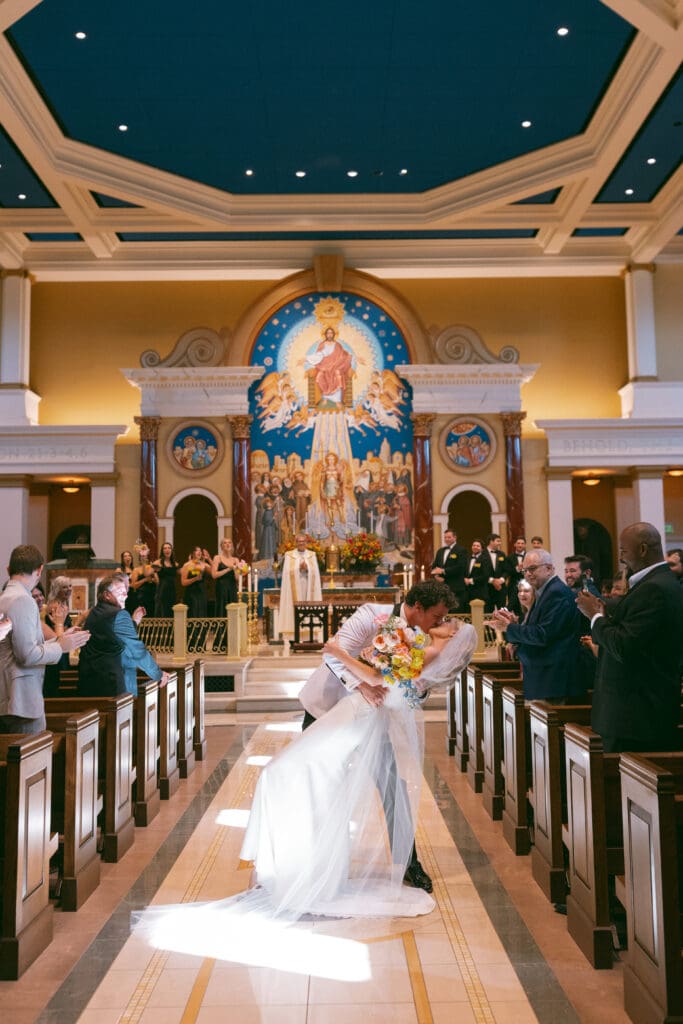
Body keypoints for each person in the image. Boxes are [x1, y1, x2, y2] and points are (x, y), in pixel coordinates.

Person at [299, 579, 456, 893]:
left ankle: (409, 863)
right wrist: (364, 685)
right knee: (323, 786)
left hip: (372, 719)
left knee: (392, 787)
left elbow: (417, 690)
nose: (439, 624)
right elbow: (332, 654)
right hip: (326, 709)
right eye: (436, 617)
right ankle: (321, 862)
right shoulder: (373, 614)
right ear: (418, 608)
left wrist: (414, 690)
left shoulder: (419, 640)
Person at [576, 522, 683, 753]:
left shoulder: (654, 589)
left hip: (636, 715)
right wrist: (607, 612)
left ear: (643, 550)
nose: (621, 558)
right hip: (636, 714)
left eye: (624, 551)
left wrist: (594, 615)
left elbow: (623, 645)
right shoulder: (657, 584)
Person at [0, 545, 90, 734]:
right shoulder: (23, 600)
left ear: (9, 569)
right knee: (32, 760)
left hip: (10, 696)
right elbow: (27, 655)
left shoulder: (5, 597)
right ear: (40, 570)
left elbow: (23, 646)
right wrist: (61, 647)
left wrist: (60, 640)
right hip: (21, 700)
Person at [491, 548, 587, 702]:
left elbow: (543, 635)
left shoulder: (556, 593)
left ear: (549, 569)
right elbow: (539, 629)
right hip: (546, 679)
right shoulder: (545, 592)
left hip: (554, 679)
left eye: (533, 568)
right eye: (525, 570)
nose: (528, 574)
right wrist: (515, 624)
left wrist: (509, 628)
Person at [78, 574, 168, 697]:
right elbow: (137, 650)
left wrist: (133, 622)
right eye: (120, 592)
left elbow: (112, 640)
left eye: (125, 592)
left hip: (89, 682)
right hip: (111, 684)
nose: (126, 595)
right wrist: (158, 674)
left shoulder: (94, 612)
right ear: (107, 595)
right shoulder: (119, 614)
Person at [278, 534, 322, 637]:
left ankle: (309, 633)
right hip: (294, 588)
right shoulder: (289, 555)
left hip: (307, 585)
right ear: (296, 543)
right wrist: (298, 568)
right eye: (299, 541)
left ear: (306, 543)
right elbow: (286, 573)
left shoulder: (312, 555)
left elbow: (315, 572)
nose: (301, 543)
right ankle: (294, 634)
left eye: (303, 541)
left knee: (308, 606)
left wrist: (308, 569)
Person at [430, 528, 467, 608]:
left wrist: (443, 571)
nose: (447, 539)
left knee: (456, 611)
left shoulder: (461, 550)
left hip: (456, 587)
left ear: (455, 537)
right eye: (445, 537)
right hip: (441, 588)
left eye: (449, 537)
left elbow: (461, 567)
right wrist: (436, 576)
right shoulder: (440, 551)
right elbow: (434, 566)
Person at [211, 538, 242, 613]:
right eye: (225, 543)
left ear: (232, 545)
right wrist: (228, 569)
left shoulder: (236, 560)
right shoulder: (217, 558)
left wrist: (235, 570)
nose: (227, 544)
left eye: (229, 542)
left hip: (232, 588)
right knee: (222, 609)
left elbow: (237, 578)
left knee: (233, 609)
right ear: (221, 547)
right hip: (221, 588)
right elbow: (214, 575)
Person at [180, 547, 210, 618]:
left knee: (202, 614)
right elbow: (183, 582)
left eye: (200, 551)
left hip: (202, 593)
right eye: (197, 550)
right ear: (192, 553)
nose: (199, 552)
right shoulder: (187, 565)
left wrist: (208, 559)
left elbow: (214, 573)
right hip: (191, 594)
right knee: (193, 613)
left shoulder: (204, 564)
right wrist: (195, 579)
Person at [129, 544, 158, 615]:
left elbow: (158, 581)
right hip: (141, 597)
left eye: (145, 557)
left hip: (153, 596)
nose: (144, 558)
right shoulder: (136, 570)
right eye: (142, 557)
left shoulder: (151, 568)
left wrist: (154, 575)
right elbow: (133, 585)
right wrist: (145, 580)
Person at [152, 542, 178, 617]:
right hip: (162, 591)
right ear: (162, 551)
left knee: (171, 614)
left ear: (172, 550)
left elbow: (183, 572)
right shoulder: (158, 562)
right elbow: (147, 573)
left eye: (169, 548)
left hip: (172, 591)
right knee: (162, 613)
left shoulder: (175, 564)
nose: (167, 550)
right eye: (165, 548)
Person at [463, 539, 491, 609]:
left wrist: (470, 580)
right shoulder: (467, 558)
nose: (475, 547)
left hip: (480, 591)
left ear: (482, 548)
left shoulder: (485, 559)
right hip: (467, 591)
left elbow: (485, 575)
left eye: (478, 546)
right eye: (474, 545)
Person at [485, 533, 508, 611]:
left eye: (500, 541)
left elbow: (506, 570)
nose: (500, 543)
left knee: (502, 612)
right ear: (491, 541)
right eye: (498, 541)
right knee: (487, 612)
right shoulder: (482, 554)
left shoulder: (502, 554)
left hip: (500, 589)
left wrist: (500, 580)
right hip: (487, 588)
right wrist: (492, 581)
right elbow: (480, 572)